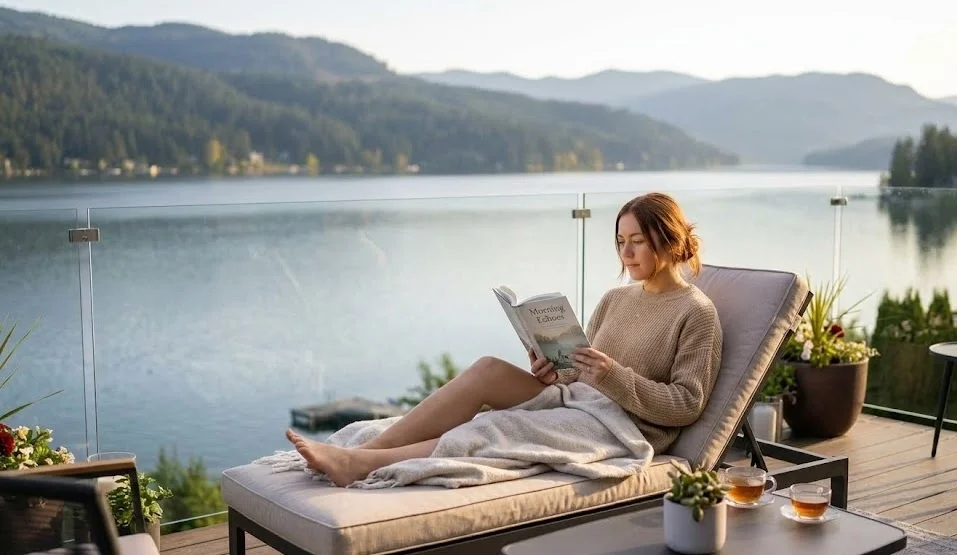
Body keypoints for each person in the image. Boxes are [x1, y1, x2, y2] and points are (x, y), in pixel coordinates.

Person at [286, 192, 724, 487]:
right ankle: (372, 447)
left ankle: (359, 464)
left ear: (668, 240)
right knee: (486, 370)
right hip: (579, 399)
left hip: (621, 427)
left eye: (637, 243)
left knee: (493, 425)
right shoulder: (617, 297)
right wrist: (552, 367)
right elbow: (584, 368)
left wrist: (613, 377)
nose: (625, 254)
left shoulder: (696, 313)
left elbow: (686, 405)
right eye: (620, 242)